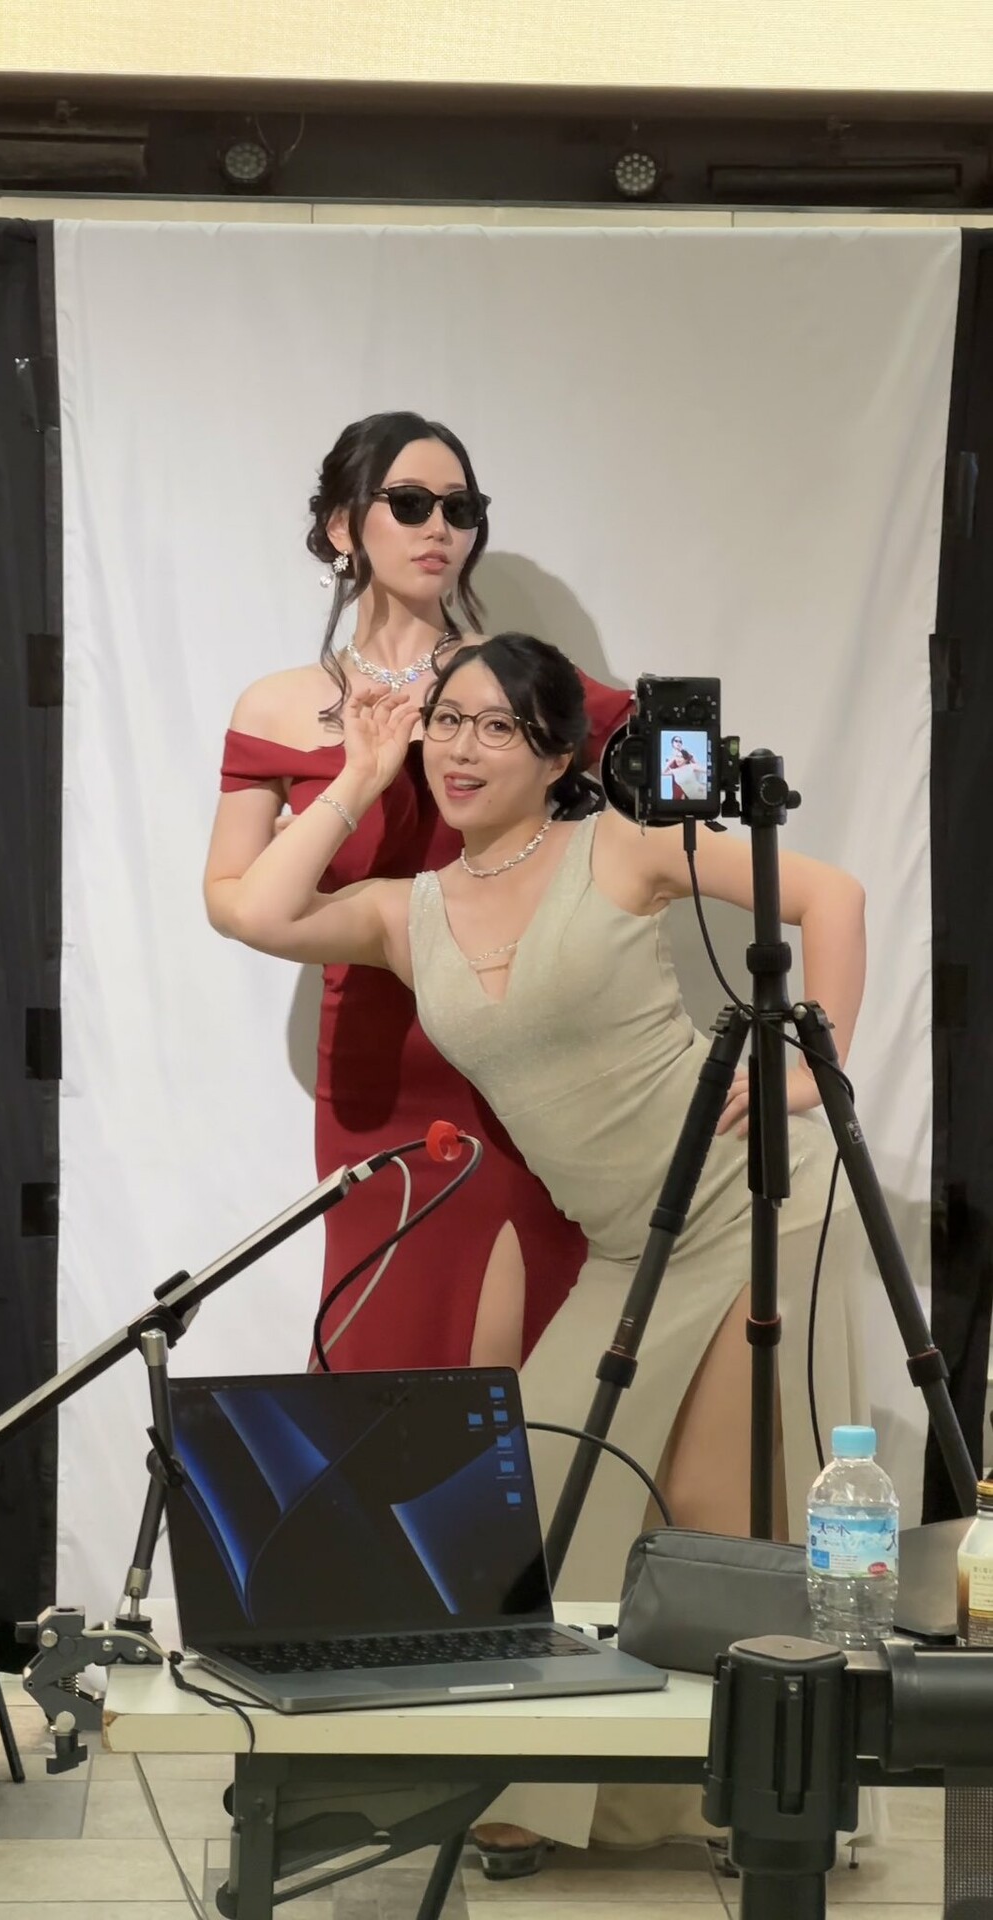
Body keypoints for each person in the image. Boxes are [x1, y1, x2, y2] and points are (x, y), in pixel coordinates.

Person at [216, 629, 868, 1863]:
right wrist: (363, 772)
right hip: (630, 1246)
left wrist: (806, 1057)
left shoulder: (620, 846)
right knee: (551, 1496)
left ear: (559, 753)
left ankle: (758, 1803)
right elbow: (256, 909)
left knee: (713, 1514)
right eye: (446, 722)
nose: (462, 750)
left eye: (498, 728)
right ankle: (556, 1781)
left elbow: (829, 895)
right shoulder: (403, 913)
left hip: (749, 1204)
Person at [205, 414, 631, 1372]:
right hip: (375, 1071)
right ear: (341, 527)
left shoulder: (517, 682)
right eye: (408, 504)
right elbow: (233, 902)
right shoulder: (276, 704)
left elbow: (669, 793)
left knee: (513, 1359)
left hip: (522, 1057)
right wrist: (358, 778)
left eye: (460, 508)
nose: (439, 527)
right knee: (376, 1354)